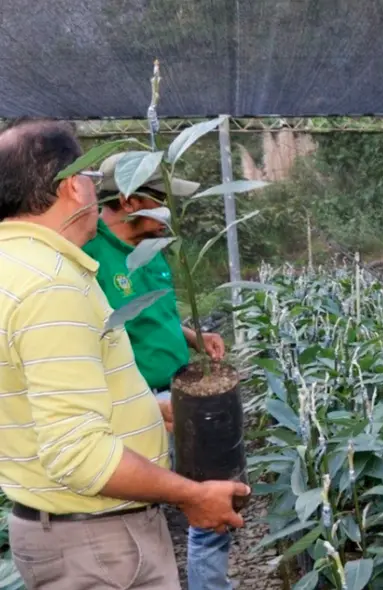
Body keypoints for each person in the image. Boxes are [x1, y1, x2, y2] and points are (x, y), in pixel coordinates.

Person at [0, 119, 248, 590]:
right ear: (74, 186)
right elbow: (78, 453)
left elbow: (40, 399)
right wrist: (190, 495)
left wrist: (150, 412)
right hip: (99, 549)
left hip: (66, 535)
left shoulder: (12, 266)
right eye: (92, 182)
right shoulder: (51, 284)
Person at [81, 153, 233, 590]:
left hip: (177, 391)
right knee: (145, 508)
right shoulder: (90, 254)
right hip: (133, 404)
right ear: (130, 200)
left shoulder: (153, 249)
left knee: (213, 491)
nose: (170, 213)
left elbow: (152, 313)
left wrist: (192, 337)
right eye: (162, 200)